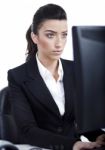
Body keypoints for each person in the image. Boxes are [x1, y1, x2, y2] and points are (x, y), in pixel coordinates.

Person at [7, 3, 105, 150]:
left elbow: (79, 120)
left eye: (64, 35)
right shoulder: (18, 76)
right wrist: (72, 144)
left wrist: (97, 135)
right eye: (50, 35)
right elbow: (27, 130)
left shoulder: (75, 69)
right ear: (35, 37)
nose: (59, 43)